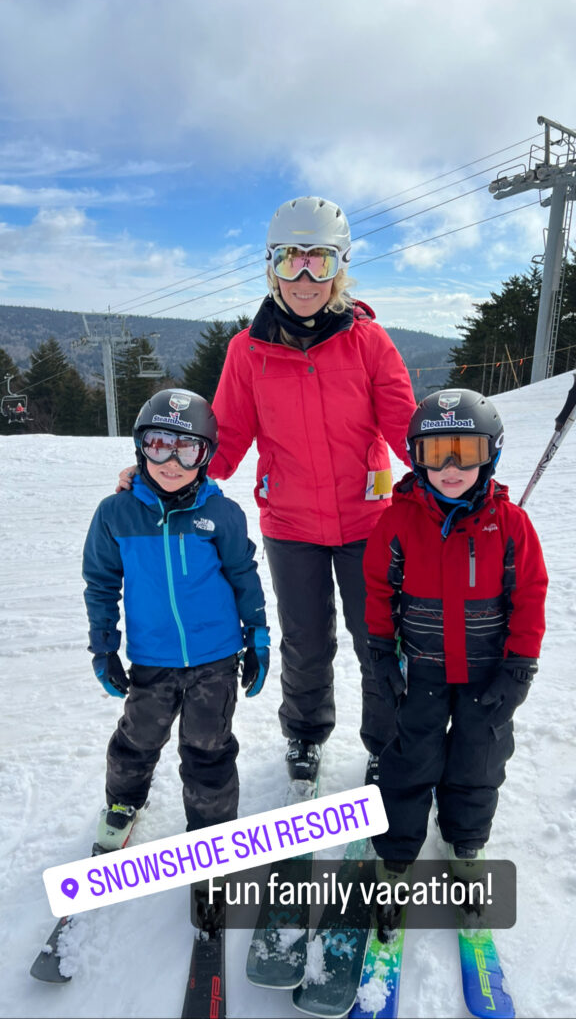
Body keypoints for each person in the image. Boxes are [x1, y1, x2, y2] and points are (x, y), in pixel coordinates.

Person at [117, 196, 416, 787]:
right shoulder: (247, 352)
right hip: (292, 526)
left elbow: (407, 430)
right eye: (291, 260)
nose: (304, 277)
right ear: (271, 265)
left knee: (379, 638)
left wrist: (459, 466)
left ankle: (388, 741)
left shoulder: (369, 343)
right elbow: (222, 445)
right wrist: (158, 472)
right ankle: (305, 735)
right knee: (306, 641)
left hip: (369, 521)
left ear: (341, 268)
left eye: (320, 262)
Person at [363, 388, 548, 884]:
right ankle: (398, 849)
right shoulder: (398, 520)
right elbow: (379, 589)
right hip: (421, 668)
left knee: (478, 761)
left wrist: (519, 664)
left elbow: (529, 593)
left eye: (465, 453)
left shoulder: (510, 524)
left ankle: (466, 840)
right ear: (414, 456)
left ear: (491, 454)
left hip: (487, 674)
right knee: (410, 759)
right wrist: (380, 650)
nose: (449, 467)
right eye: (434, 452)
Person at [83, 388, 269, 852]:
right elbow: (101, 582)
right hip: (152, 657)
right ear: (140, 446)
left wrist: (258, 634)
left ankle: (210, 834)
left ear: (205, 455)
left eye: (187, 450)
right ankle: (123, 802)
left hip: (216, 658)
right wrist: (104, 645)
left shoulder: (221, 514)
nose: (172, 462)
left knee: (208, 748)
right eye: (158, 445)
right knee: (138, 738)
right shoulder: (115, 514)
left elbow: (243, 575)